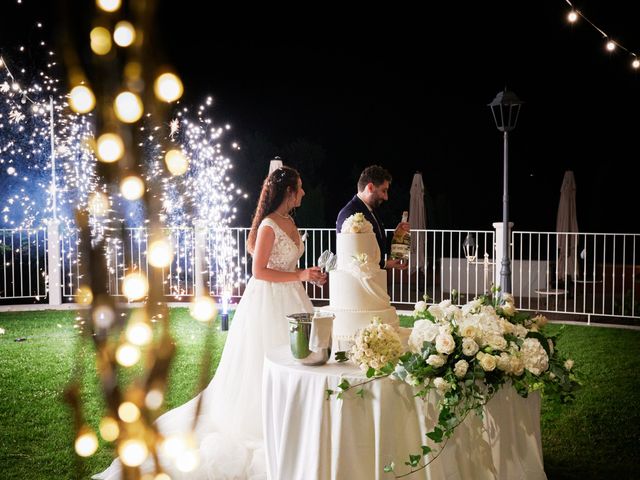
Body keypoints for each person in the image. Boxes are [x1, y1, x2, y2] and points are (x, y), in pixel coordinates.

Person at [94, 166, 326, 480]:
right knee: (266, 360)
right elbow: (259, 272)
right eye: (299, 188)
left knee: (297, 358)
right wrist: (300, 275)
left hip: (292, 297)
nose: (303, 193)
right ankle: (265, 418)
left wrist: (307, 275)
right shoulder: (270, 224)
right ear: (289, 192)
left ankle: (295, 413)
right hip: (268, 302)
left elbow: (284, 264)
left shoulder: (289, 221)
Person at [336, 165, 409, 269]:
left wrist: (396, 236)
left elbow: (377, 244)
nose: (386, 197)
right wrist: (385, 264)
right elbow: (354, 257)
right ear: (370, 187)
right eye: (384, 191)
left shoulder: (370, 210)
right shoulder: (349, 214)